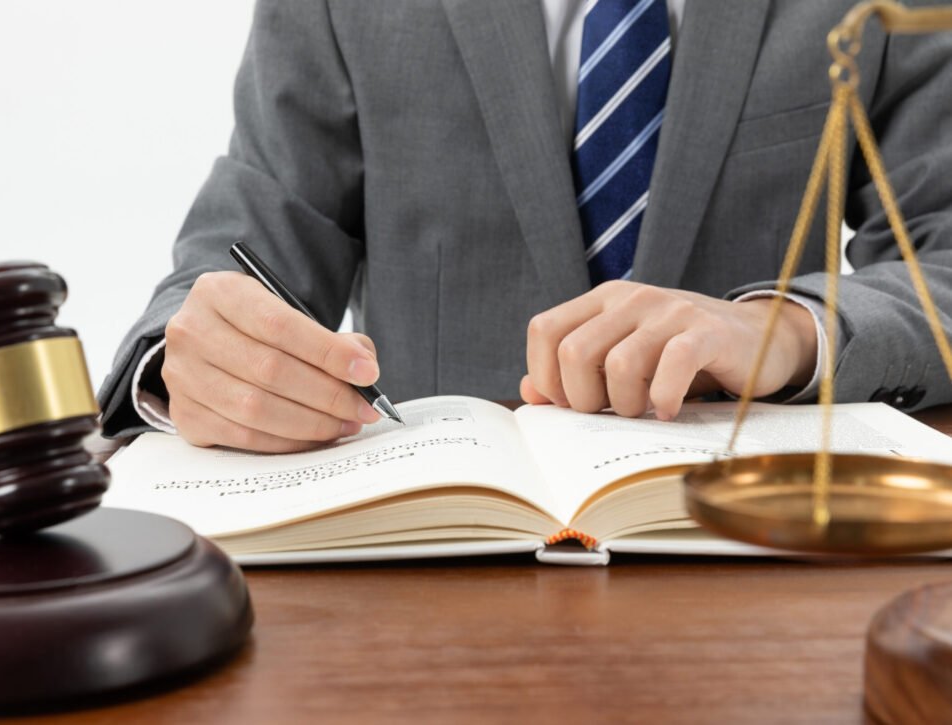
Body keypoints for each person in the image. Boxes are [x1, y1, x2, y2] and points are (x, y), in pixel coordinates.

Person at [98, 0, 952, 453]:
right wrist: (182, 363)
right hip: (426, 559)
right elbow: (246, 242)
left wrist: (786, 329)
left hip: (749, 542)